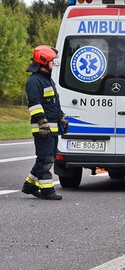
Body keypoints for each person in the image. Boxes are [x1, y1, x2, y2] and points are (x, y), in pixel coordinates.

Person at [22, 45, 67, 201]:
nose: (53, 63)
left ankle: (30, 186)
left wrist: (61, 117)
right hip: (43, 129)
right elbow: (34, 104)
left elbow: (53, 104)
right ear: (44, 62)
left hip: (52, 128)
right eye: (52, 61)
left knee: (46, 158)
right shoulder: (34, 81)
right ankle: (47, 190)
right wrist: (42, 122)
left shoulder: (48, 80)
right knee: (46, 159)